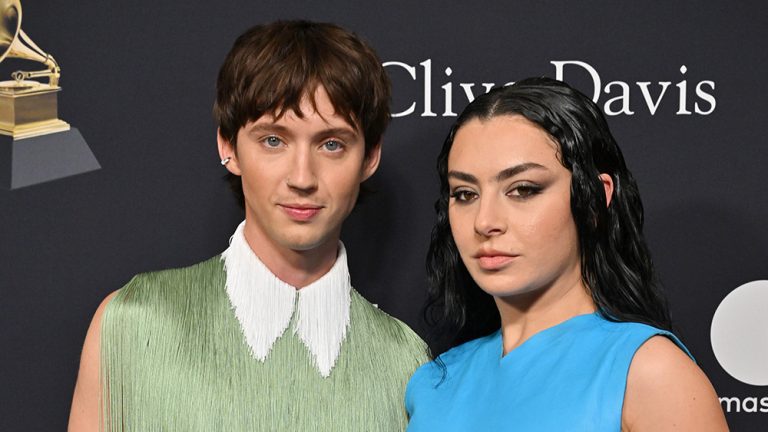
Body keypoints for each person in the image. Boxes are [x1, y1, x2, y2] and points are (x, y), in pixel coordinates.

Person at [68, 20, 427, 432]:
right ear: (229, 147)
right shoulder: (132, 323)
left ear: (369, 158)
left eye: (332, 144)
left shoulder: (408, 364)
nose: (302, 177)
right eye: (273, 140)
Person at [405, 78, 728, 431]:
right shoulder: (434, 384)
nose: (485, 222)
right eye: (465, 194)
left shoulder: (649, 374)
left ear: (594, 199)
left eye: (523, 189)